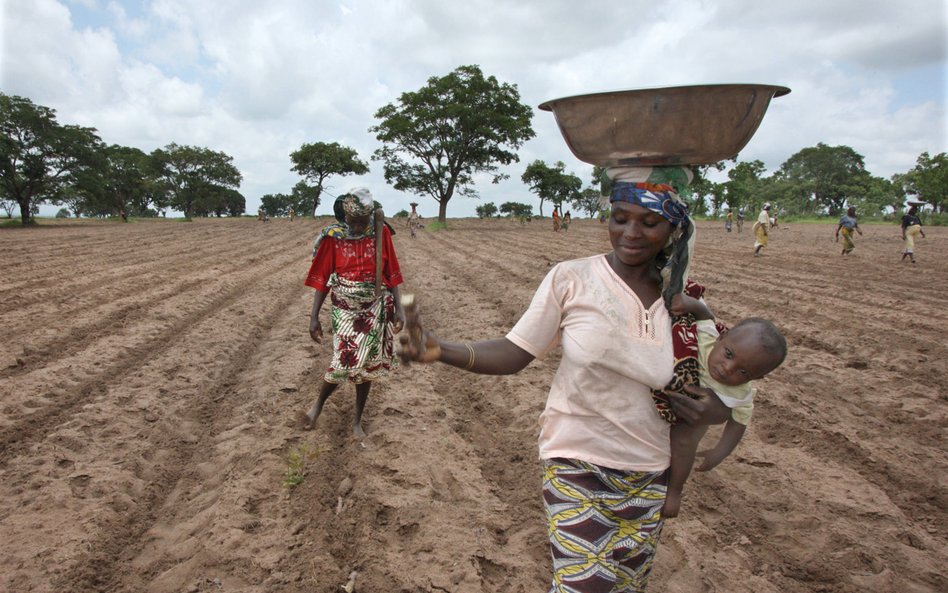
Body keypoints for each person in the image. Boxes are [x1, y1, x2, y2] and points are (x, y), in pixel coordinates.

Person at [399, 166, 731, 592]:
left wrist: (713, 409)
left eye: (648, 222)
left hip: (649, 472)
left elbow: (729, 389)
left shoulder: (686, 305)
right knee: (585, 586)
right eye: (619, 218)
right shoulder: (572, 278)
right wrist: (443, 349)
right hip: (576, 462)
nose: (630, 232)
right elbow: (516, 350)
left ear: (673, 229)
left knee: (625, 586)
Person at [657, 289, 787, 518]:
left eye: (743, 371)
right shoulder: (705, 338)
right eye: (728, 354)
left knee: (683, 443)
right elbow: (705, 316)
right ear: (721, 337)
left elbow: (739, 423)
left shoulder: (741, 393)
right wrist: (689, 303)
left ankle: (674, 492)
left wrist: (720, 452)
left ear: (756, 378)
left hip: (690, 422)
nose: (728, 369)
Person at [300, 188, 405, 437]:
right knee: (343, 361)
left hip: (375, 307)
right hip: (345, 308)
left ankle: (357, 420)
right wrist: (313, 317)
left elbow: (392, 272)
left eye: (362, 222)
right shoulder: (333, 237)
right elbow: (323, 278)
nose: (358, 227)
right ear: (344, 217)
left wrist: (400, 309)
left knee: (367, 366)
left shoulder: (381, 233)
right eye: (353, 222)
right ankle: (317, 406)